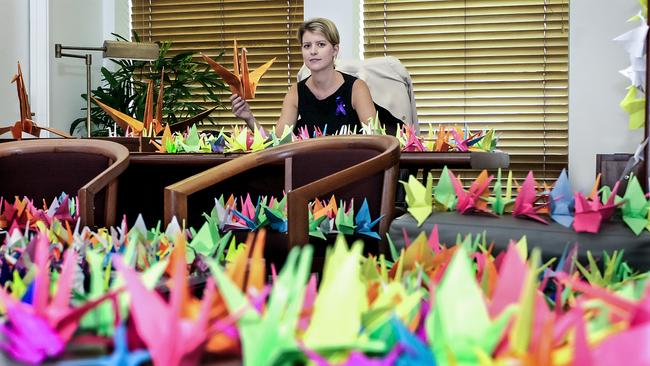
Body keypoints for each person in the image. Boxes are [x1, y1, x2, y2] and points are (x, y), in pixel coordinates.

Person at [230, 17, 402, 135]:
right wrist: (249, 118)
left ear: (335, 50)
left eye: (321, 44)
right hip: (309, 173)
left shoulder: (356, 88)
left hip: (351, 171)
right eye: (307, 46)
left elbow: (377, 140)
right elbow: (277, 144)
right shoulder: (296, 92)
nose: (313, 51)